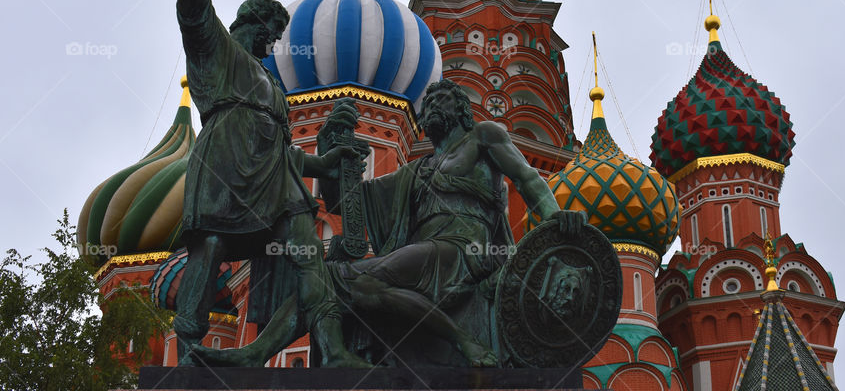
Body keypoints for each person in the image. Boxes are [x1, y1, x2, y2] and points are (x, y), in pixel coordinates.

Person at [190, 79, 586, 367]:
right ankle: (256, 353)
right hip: (428, 250)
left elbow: (528, 178)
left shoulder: (483, 137)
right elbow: (348, 204)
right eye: (427, 101)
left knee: (348, 277)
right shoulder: (418, 170)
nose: (431, 105)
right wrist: (332, 150)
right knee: (321, 277)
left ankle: (465, 341)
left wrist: (555, 217)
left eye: (441, 98)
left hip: (466, 249)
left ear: (461, 109)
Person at [172, 0, 365, 367]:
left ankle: (335, 351)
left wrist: (323, 165)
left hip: (275, 180)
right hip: (225, 161)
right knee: (211, 245)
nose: (277, 41)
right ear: (254, 22)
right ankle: (190, 343)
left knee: (309, 258)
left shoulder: (271, 85)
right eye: (273, 31)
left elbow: (285, 151)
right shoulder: (216, 47)